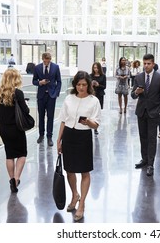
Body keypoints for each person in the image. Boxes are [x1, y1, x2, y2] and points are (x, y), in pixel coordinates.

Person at [56, 71, 101, 222]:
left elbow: (96, 125)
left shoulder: (94, 101)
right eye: (78, 84)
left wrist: (88, 122)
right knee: (69, 170)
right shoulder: (69, 98)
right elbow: (63, 119)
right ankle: (75, 194)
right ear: (75, 85)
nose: (81, 87)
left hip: (84, 137)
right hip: (68, 135)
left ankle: (82, 204)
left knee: (84, 171)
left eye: (84, 85)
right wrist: (59, 140)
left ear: (88, 85)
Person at [131, 54, 160, 176]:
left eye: (148, 63)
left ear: (153, 64)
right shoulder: (139, 77)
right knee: (143, 137)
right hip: (141, 112)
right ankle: (145, 159)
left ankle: (151, 164)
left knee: (152, 139)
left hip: (154, 113)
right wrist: (136, 91)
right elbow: (133, 95)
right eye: (144, 63)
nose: (146, 66)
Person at [0, 68, 29, 193]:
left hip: (4, 129)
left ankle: (11, 179)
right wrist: (25, 103)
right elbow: (26, 111)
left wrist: (0, 130)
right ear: (16, 79)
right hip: (17, 129)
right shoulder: (18, 93)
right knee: (22, 154)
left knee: (9, 155)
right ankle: (17, 179)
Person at [32, 52, 62, 146]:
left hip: (51, 96)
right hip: (41, 96)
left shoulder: (56, 67)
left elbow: (59, 81)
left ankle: (49, 137)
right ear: (42, 59)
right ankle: (41, 135)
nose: (46, 62)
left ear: (50, 59)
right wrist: (40, 82)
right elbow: (34, 81)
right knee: (41, 116)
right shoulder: (37, 68)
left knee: (50, 117)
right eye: (45, 60)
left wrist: (56, 93)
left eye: (48, 60)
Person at [90, 62, 106, 134]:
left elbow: (104, 87)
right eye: (94, 68)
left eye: (97, 68)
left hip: (99, 95)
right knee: (91, 111)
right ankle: (90, 125)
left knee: (97, 112)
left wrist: (98, 85)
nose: (95, 69)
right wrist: (92, 84)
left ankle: (95, 127)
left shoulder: (103, 76)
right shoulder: (90, 76)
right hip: (92, 95)